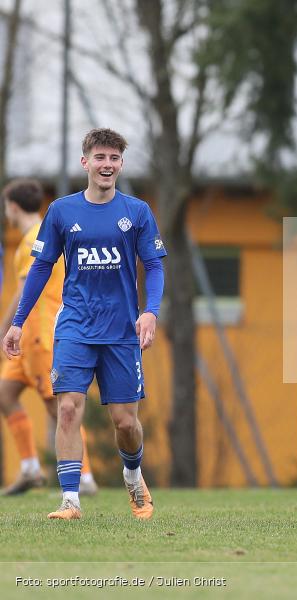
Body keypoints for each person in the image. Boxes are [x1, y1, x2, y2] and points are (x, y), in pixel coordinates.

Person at [2, 128, 166, 520]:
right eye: (100, 158)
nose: (106, 165)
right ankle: (70, 500)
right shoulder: (62, 211)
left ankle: (132, 474)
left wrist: (150, 311)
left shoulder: (137, 212)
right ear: (85, 162)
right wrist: (17, 322)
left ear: (121, 165)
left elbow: (156, 265)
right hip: (74, 325)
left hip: (122, 330)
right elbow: (41, 268)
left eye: (113, 159)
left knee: (125, 423)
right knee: (69, 409)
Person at [0, 179, 97, 497]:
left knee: (60, 408)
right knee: (5, 393)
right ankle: (30, 468)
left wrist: (5, 327)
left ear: (12, 206)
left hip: (42, 336)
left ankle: (84, 478)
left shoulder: (34, 239)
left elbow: (26, 290)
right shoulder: (39, 233)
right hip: (27, 341)